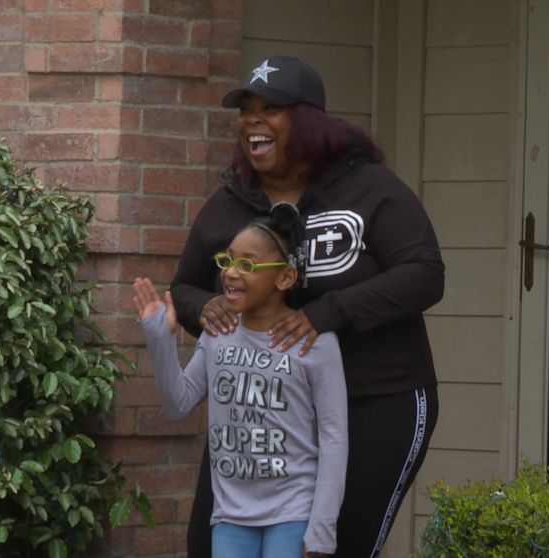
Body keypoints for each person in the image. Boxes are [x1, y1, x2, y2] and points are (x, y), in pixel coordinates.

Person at [171, 56, 445, 558]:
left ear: (310, 121)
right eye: (245, 109)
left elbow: (424, 274)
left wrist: (327, 313)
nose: (252, 120)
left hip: (376, 398)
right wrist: (205, 306)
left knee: (336, 548)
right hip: (260, 417)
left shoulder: (370, 189)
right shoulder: (231, 203)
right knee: (204, 548)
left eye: (269, 108)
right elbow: (184, 286)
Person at [135, 203, 348, 558]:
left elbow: (334, 436)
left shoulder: (316, 344)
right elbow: (178, 404)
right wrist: (160, 336)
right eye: (228, 261)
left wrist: (322, 531)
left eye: (247, 265)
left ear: (285, 278)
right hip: (230, 516)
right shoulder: (219, 332)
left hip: (293, 512)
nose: (230, 274)